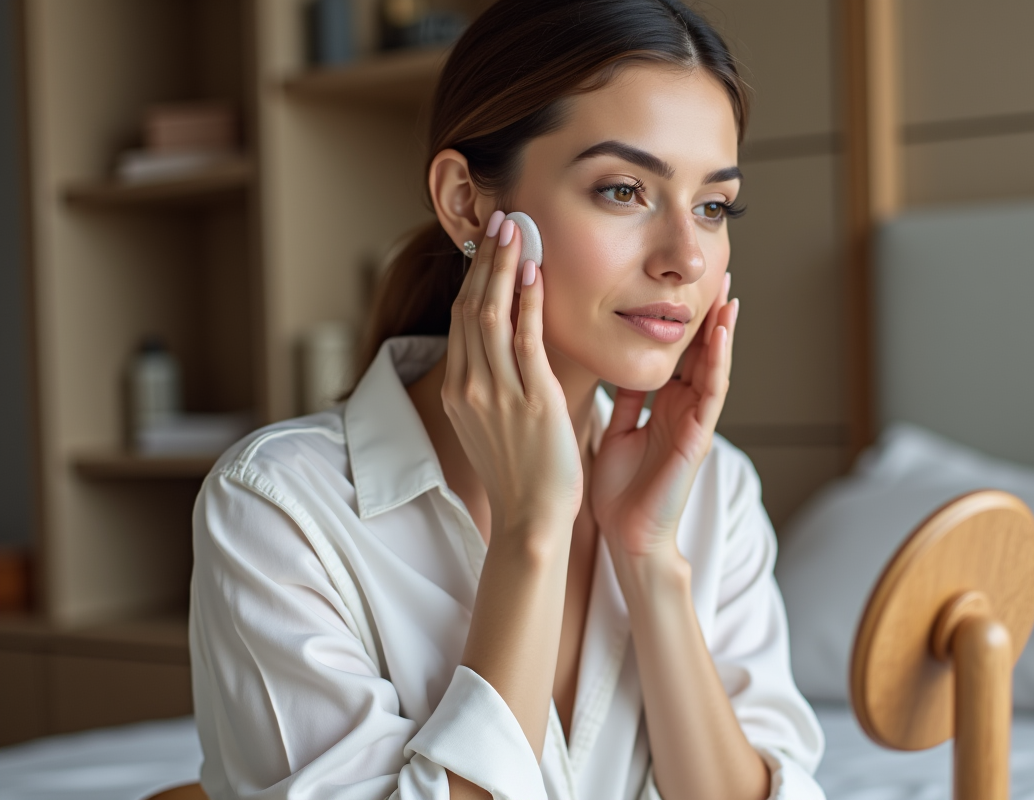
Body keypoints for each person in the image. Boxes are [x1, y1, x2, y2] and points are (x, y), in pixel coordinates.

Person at [189, 1, 825, 798]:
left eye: (713, 206)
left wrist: (650, 560)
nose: (686, 258)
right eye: (624, 190)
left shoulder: (714, 491)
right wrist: (533, 529)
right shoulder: (280, 508)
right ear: (466, 201)